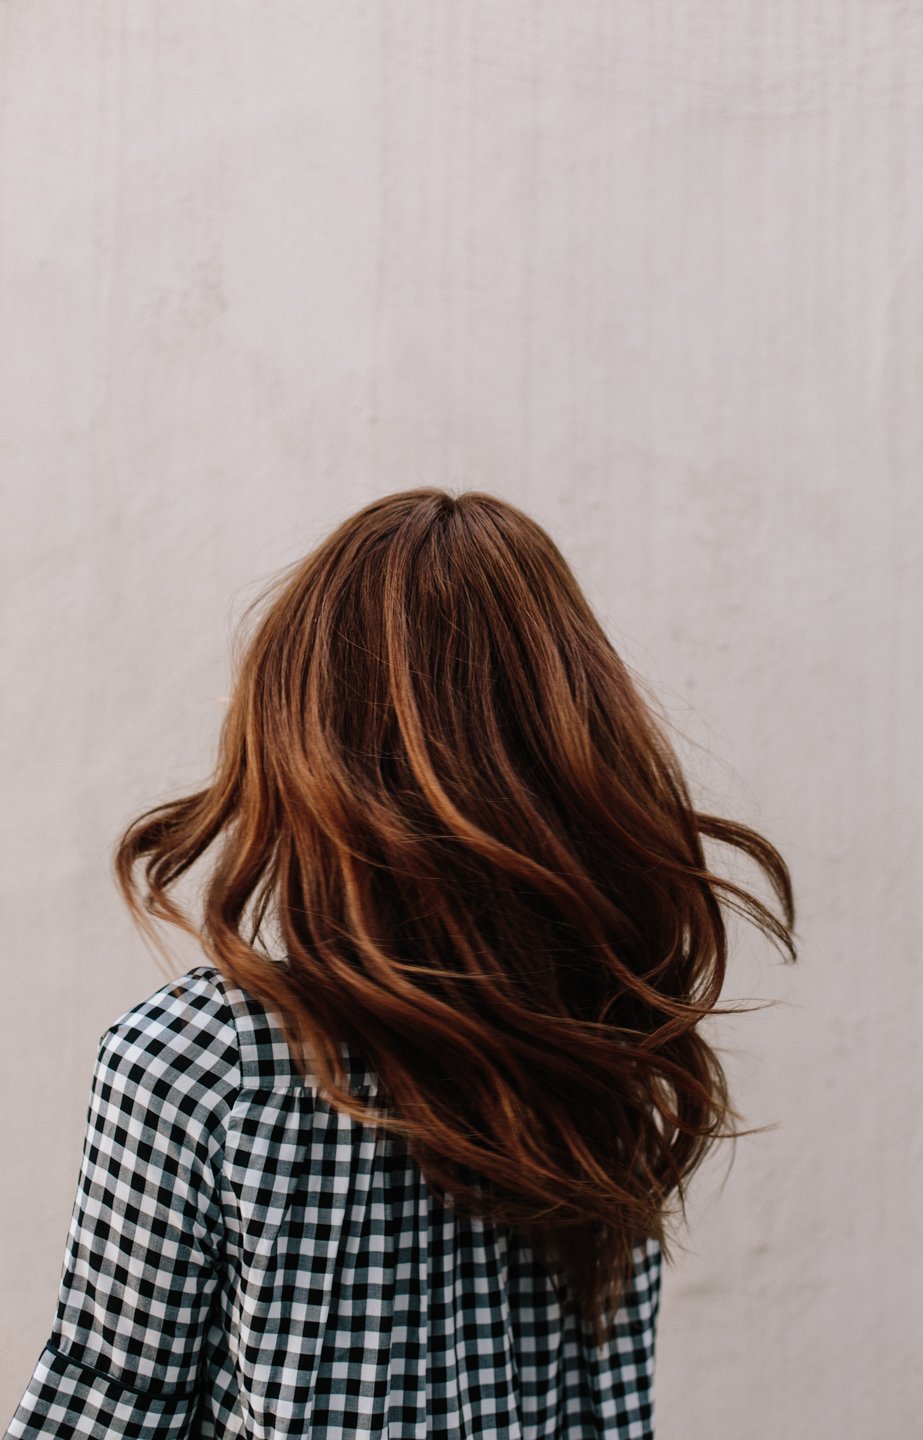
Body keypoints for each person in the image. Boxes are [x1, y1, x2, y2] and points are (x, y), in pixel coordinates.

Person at [4, 487, 796, 1439]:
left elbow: (112, 1402)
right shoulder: (602, 1044)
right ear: (570, 740)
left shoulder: (198, 1060)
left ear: (298, 739)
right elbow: (607, 1412)